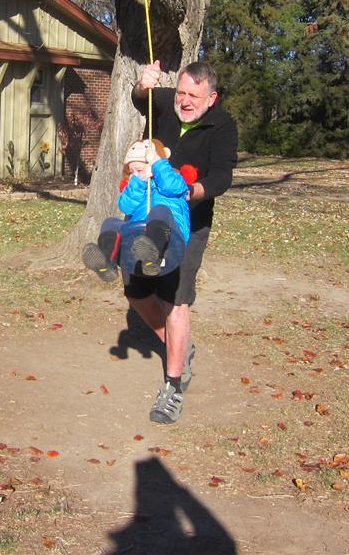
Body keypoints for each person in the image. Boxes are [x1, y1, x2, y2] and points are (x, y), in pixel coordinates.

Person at [127, 59, 237, 424]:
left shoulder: (222, 125)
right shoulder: (164, 104)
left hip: (190, 221)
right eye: (181, 93)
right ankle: (179, 346)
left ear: (212, 98)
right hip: (146, 215)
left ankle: (172, 387)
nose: (184, 101)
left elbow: (222, 176)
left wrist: (191, 191)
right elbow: (139, 98)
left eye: (194, 96)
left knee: (176, 299)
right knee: (136, 292)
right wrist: (143, 84)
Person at [82, 138, 195, 281]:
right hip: (138, 236)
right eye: (132, 171)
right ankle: (107, 262)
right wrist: (139, 180)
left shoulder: (175, 179)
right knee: (110, 223)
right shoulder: (136, 185)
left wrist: (156, 162)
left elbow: (171, 186)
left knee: (160, 210)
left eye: (139, 170)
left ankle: (153, 254)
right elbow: (125, 206)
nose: (135, 174)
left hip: (170, 235)